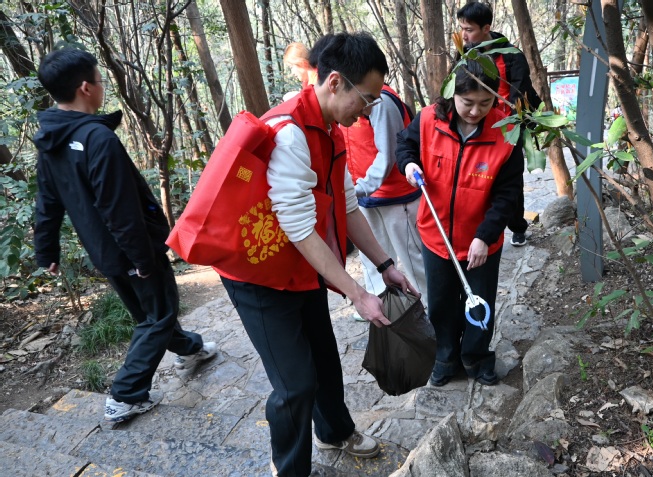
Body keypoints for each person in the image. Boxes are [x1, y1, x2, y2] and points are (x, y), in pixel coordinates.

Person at [216, 33, 419, 477]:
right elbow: (300, 228)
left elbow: (346, 205)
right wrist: (357, 294)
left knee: (324, 359)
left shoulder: (329, 130)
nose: (370, 109)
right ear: (334, 82)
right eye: (366, 98)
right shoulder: (291, 134)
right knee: (295, 383)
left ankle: (335, 431)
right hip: (257, 273)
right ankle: (289, 468)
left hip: (298, 264)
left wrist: (385, 266)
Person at [33, 48, 217, 423]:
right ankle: (126, 394)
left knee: (151, 313)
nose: (102, 87)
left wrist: (45, 250)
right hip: (131, 249)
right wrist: (142, 258)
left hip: (103, 252)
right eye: (100, 80)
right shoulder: (97, 139)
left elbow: (47, 201)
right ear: (85, 88)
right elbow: (119, 209)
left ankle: (189, 349)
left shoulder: (51, 140)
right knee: (159, 315)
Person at [396, 60, 523, 387]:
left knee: (479, 304)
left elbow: (508, 194)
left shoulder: (506, 132)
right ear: (452, 93)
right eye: (468, 102)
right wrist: (408, 165)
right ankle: (445, 357)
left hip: (480, 242)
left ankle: (476, 358)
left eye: (485, 103)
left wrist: (485, 236)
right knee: (441, 304)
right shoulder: (428, 119)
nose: (475, 111)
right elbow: (404, 145)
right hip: (435, 235)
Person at [338, 78, 428, 315]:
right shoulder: (343, 102)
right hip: (364, 194)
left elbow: (388, 154)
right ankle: (384, 309)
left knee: (413, 259)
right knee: (373, 259)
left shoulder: (381, 102)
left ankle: (430, 309)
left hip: (397, 197)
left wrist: (360, 187)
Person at [457, 1, 542, 247]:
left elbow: (519, 92)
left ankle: (517, 227)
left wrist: (508, 124)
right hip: (476, 124)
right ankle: (477, 228)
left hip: (508, 128)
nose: (463, 35)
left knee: (509, 180)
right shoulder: (465, 53)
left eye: (469, 29)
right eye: (462, 28)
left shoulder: (511, 54)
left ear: (486, 28)